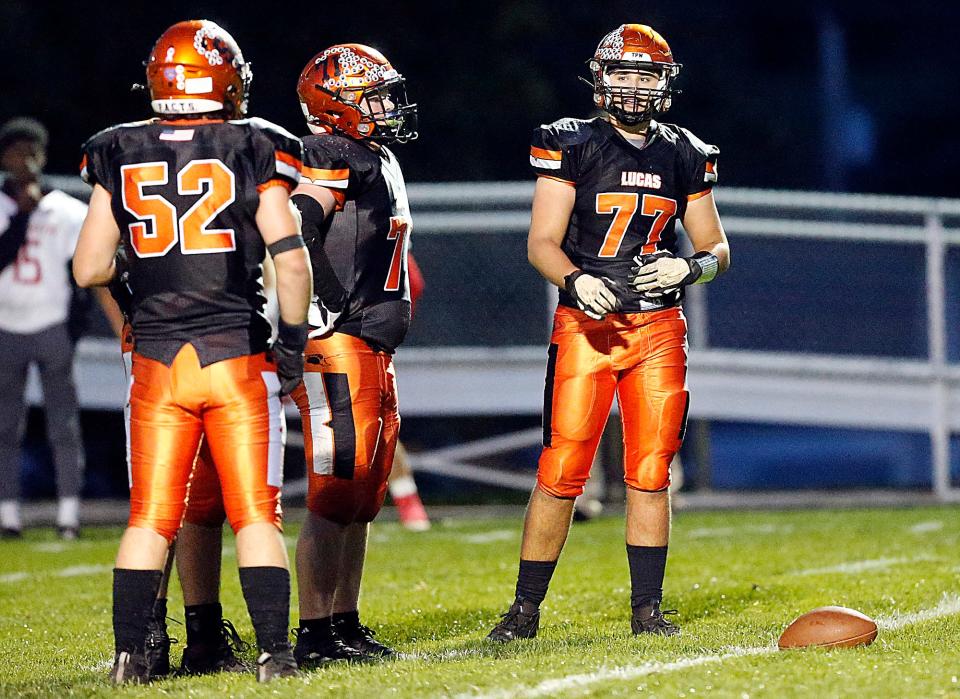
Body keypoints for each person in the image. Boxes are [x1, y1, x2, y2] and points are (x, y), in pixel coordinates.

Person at [72, 19, 312, 683]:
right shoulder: (256, 142)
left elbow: (89, 265)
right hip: (235, 355)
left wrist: (138, 291)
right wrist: (291, 342)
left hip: (155, 361)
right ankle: (274, 656)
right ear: (226, 80)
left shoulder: (117, 146)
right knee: (257, 513)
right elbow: (290, 263)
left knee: (150, 516)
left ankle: (131, 660)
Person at [486, 23, 730, 642]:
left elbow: (716, 246)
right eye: (622, 73)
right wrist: (572, 281)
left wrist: (692, 266)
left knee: (650, 470)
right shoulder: (572, 143)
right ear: (600, 79)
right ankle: (524, 612)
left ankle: (647, 611)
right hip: (589, 326)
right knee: (563, 466)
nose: (633, 85)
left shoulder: (684, 152)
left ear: (664, 83)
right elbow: (541, 243)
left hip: (657, 328)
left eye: (645, 74)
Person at [289, 43, 417, 666]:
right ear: (335, 104)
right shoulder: (330, 152)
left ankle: (344, 620)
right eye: (374, 95)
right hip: (340, 341)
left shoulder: (374, 154)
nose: (387, 106)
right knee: (335, 492)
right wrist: (327, 299)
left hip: (373, 344)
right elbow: (299, 221)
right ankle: (313, 632)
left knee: (363, 496)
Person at [0, 117, 112, 540]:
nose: (25, 161)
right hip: (6, 326)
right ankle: (8, 514)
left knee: (63, 425)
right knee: (6, 426)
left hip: (51, 327)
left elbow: (85, 272)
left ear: (43, 157)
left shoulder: (65, 209)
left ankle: (69, 514)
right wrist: (21, 221)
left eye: (32, 152)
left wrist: (72, 329)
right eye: (16, 152)